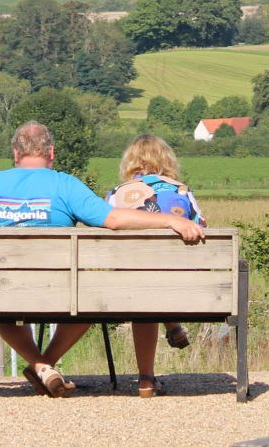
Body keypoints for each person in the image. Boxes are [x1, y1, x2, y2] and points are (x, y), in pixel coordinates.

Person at [0, 121, 204, 397]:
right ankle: (44, 364)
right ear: (51, 152)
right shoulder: (66, 185)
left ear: (15, 154)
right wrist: (169, 220)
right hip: (59, 293)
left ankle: (40, 365)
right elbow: (114, 219)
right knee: (89, 301)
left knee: (3, 310)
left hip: (5, 291)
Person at [106, 134, 205, 397]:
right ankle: (172, 326)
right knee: (155, 280)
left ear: (130, 162)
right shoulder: (182, 191)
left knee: (143, 285)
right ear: (167, 160)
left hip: (130, 283)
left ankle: (146, 379)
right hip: (177, 282)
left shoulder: (116, 195)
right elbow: (201, 228)